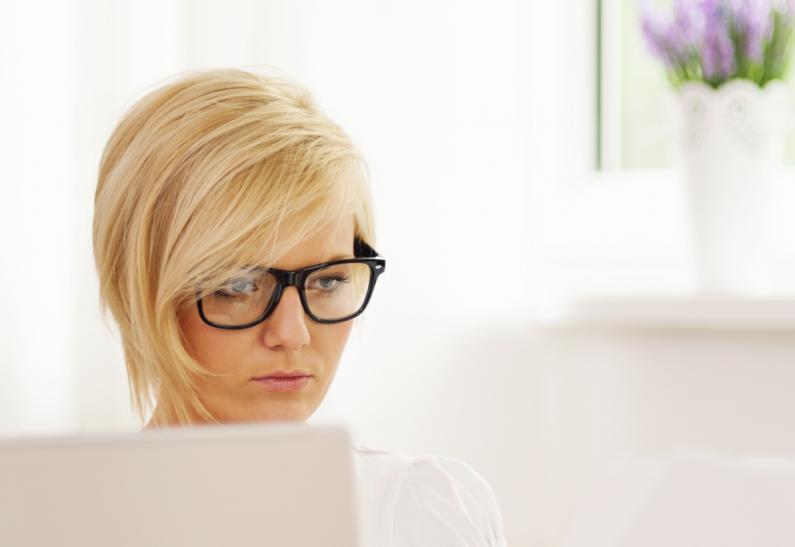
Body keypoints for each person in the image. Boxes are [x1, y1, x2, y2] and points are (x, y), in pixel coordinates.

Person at [90, 68, 507, 546]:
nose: (292, 333)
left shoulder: (428, 514)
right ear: (140, 290)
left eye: (327, 281)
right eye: (238, 285)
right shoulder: (50, 524)